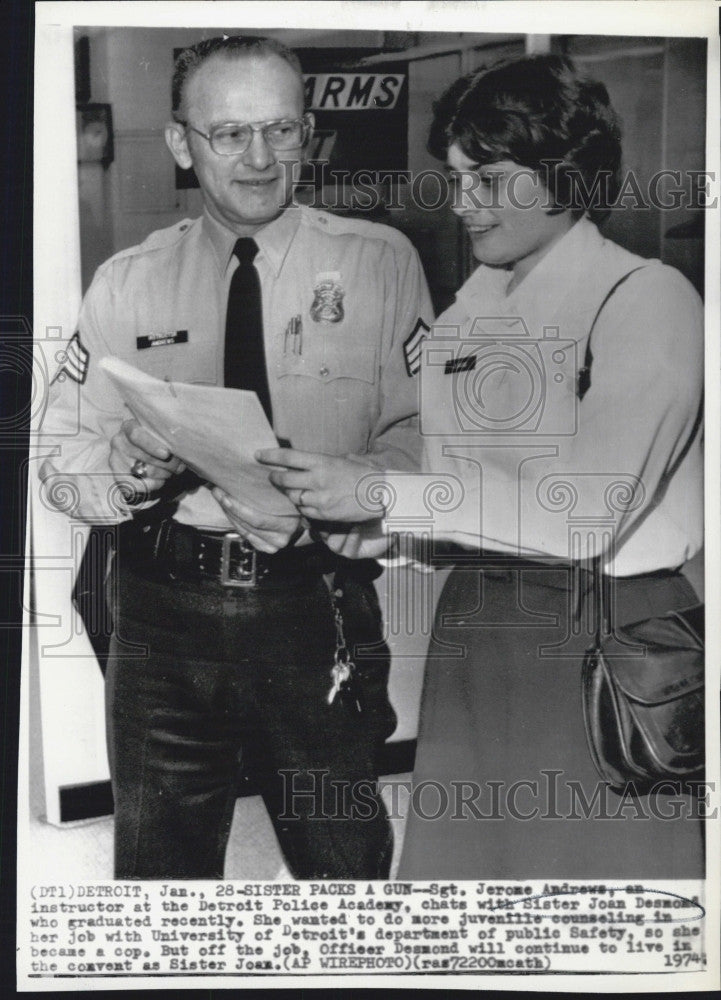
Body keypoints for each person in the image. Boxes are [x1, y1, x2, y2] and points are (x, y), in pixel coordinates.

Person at [39, 34, 433, 880]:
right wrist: (133, 468)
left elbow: (422, 437)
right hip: (161, 616)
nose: (259, 158)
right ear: (182, 143)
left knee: (345, 872)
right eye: (229, 134)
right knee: (161, 879)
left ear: (306, 134)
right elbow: (62, 460)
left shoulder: (379, 264)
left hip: (315, 603)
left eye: (280, 131)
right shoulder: (126, 282)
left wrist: (354, 487)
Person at [370, 55, 703, 879]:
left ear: (562, 172)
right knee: (475, 890)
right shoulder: (470, 308)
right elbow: (463, 489)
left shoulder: (645, 297)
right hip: (478, 625)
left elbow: (579, 514)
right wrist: (371, 524)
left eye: (486, 179)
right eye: (454, 179)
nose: (462, 205)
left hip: (609, 630)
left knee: (601, 891)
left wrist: (387, 492)